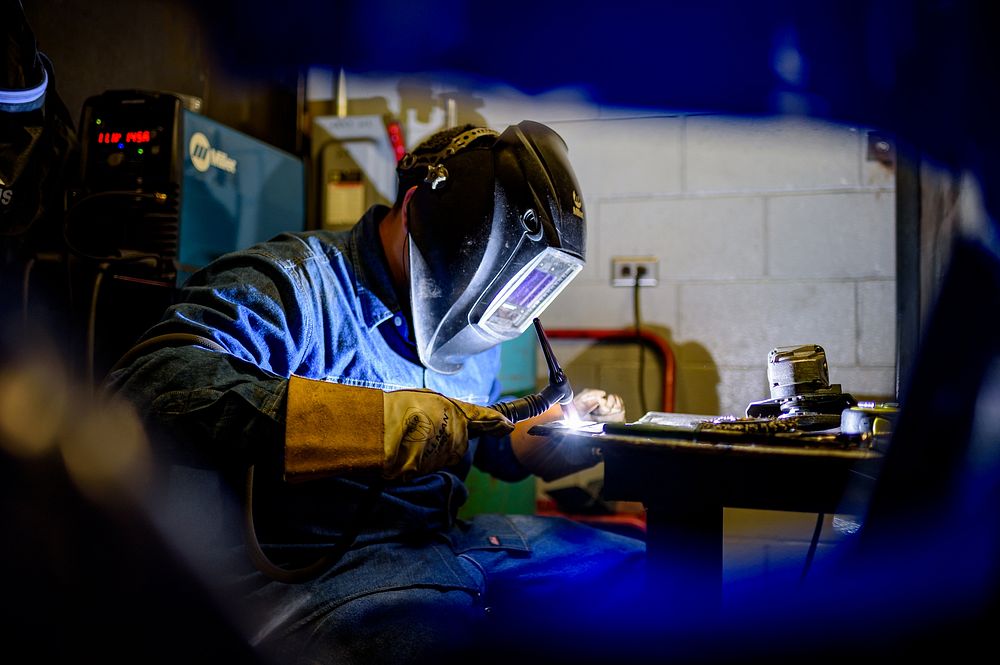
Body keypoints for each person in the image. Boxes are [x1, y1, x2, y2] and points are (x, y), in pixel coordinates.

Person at [107, 121, 648, 664]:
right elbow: (146, 383)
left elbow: (481, 442)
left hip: (444, 542)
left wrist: (540, 436)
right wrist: (367, 425)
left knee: (652, 576)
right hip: (314, 572)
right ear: (416, 210)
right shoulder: (296, 283)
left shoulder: (470, 321)